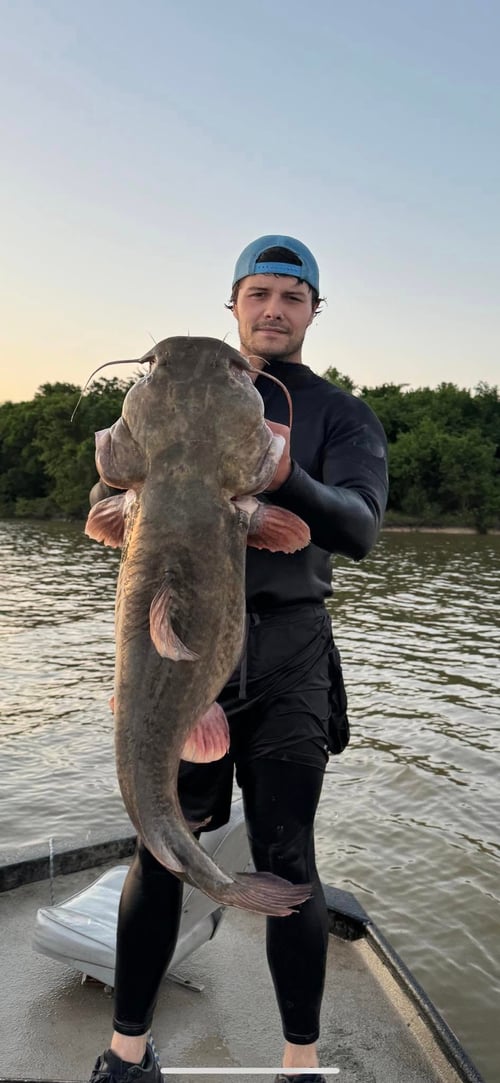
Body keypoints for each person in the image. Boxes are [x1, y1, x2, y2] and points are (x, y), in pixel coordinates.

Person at [89, 235, 388, 1083]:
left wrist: (282, 475)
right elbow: (113, 499)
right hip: (172, 650)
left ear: (313, 312)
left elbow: (360, 526)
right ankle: (126, 1051)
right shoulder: (174, 392)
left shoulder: (342, 415)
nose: (273, 311)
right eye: (259, 294)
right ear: (235, 304)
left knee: (291, 855)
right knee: (160, 848)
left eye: (292, 298)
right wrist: (119, 491)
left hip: (289, 658)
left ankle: (300, 1063)